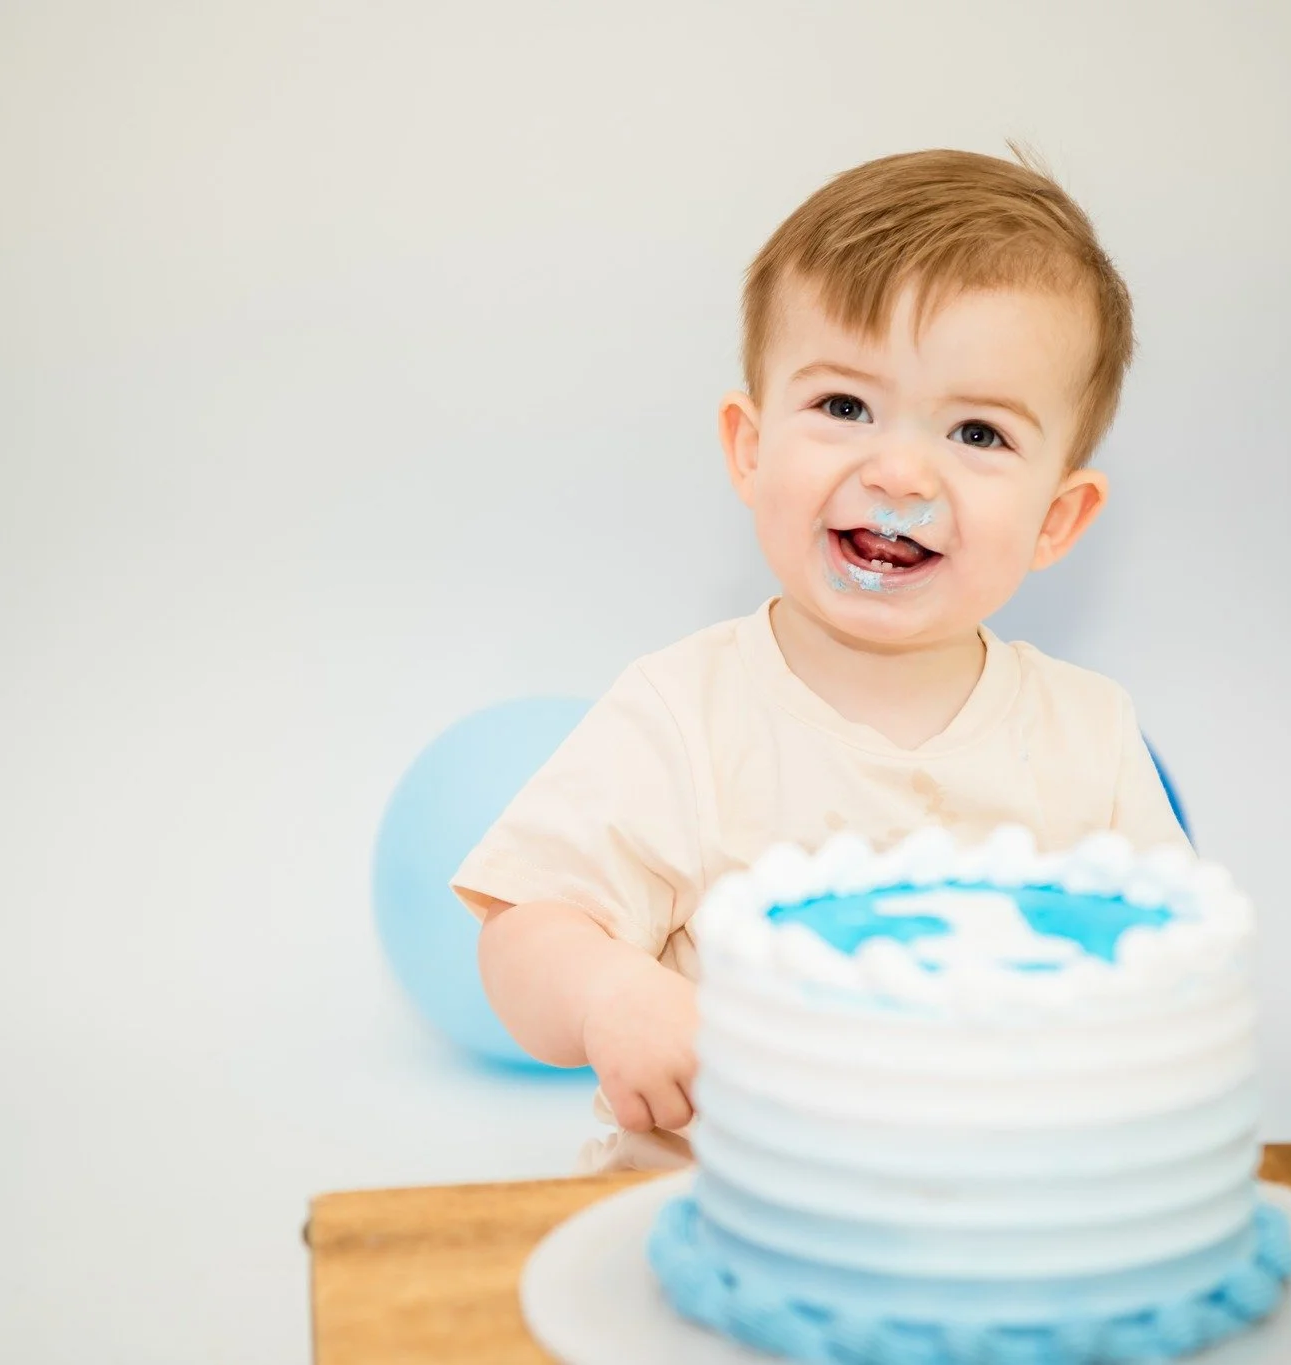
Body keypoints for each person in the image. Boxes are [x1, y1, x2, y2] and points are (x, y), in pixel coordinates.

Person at [453, 149, 1190, 1171]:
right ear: (749, 450)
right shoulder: (683, 713)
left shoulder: (1087, 733)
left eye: (976, 431)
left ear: (1056, 517)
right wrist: (607, 991)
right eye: (844, 407)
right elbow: (524, 931)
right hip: (713, 1218)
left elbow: (1173, 975)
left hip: (1000, 1226)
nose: (896, 471)